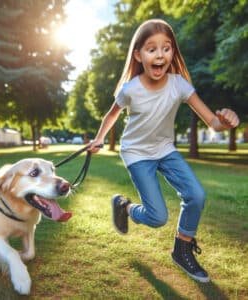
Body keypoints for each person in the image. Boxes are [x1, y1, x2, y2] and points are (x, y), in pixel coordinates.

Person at [88, 19, 239, 283]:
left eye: (166, 48)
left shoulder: (179, 85)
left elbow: (212, 122)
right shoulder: (130, 89)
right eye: (151, 49)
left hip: (165, 150)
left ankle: (182, 249)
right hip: (136, 153)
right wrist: (99, 139)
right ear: (138, 55)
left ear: (172, 53)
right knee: (157, 217)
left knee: (196, 195)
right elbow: (111, 115)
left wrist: (224, 122)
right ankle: (125, 207)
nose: (160, 55)